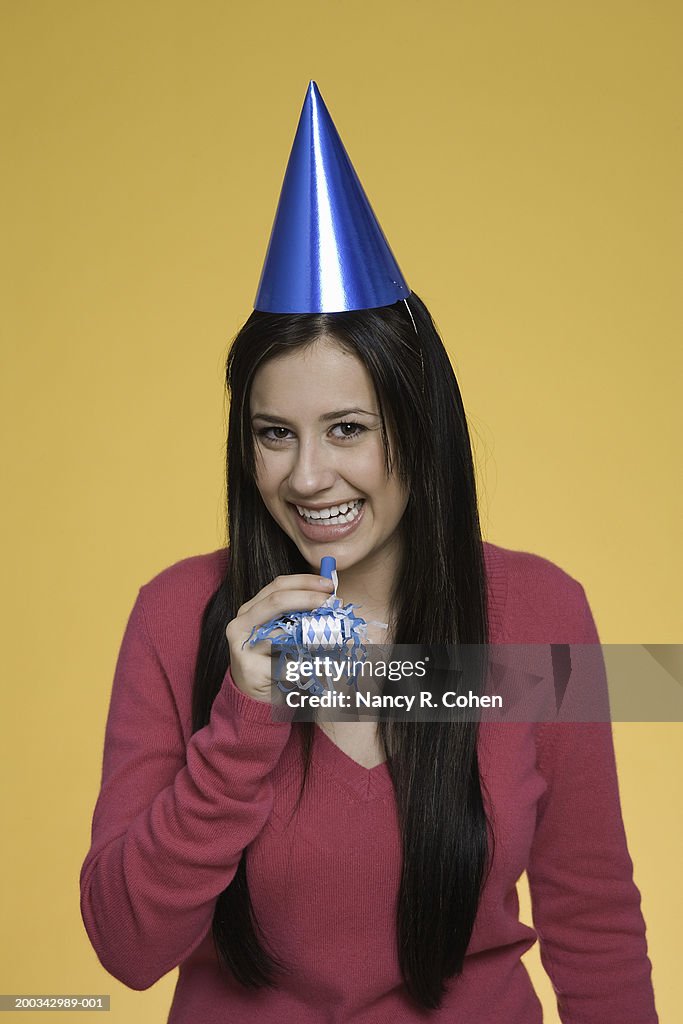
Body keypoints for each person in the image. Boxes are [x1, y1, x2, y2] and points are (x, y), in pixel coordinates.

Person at [80, 83, 658, 1023]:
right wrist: (246, 715)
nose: (308, 477)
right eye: (275, 434)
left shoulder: (542, 611)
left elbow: (592, 918)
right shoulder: (176, 613)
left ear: (417, 429)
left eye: (346, 428)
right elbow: (125, 946)